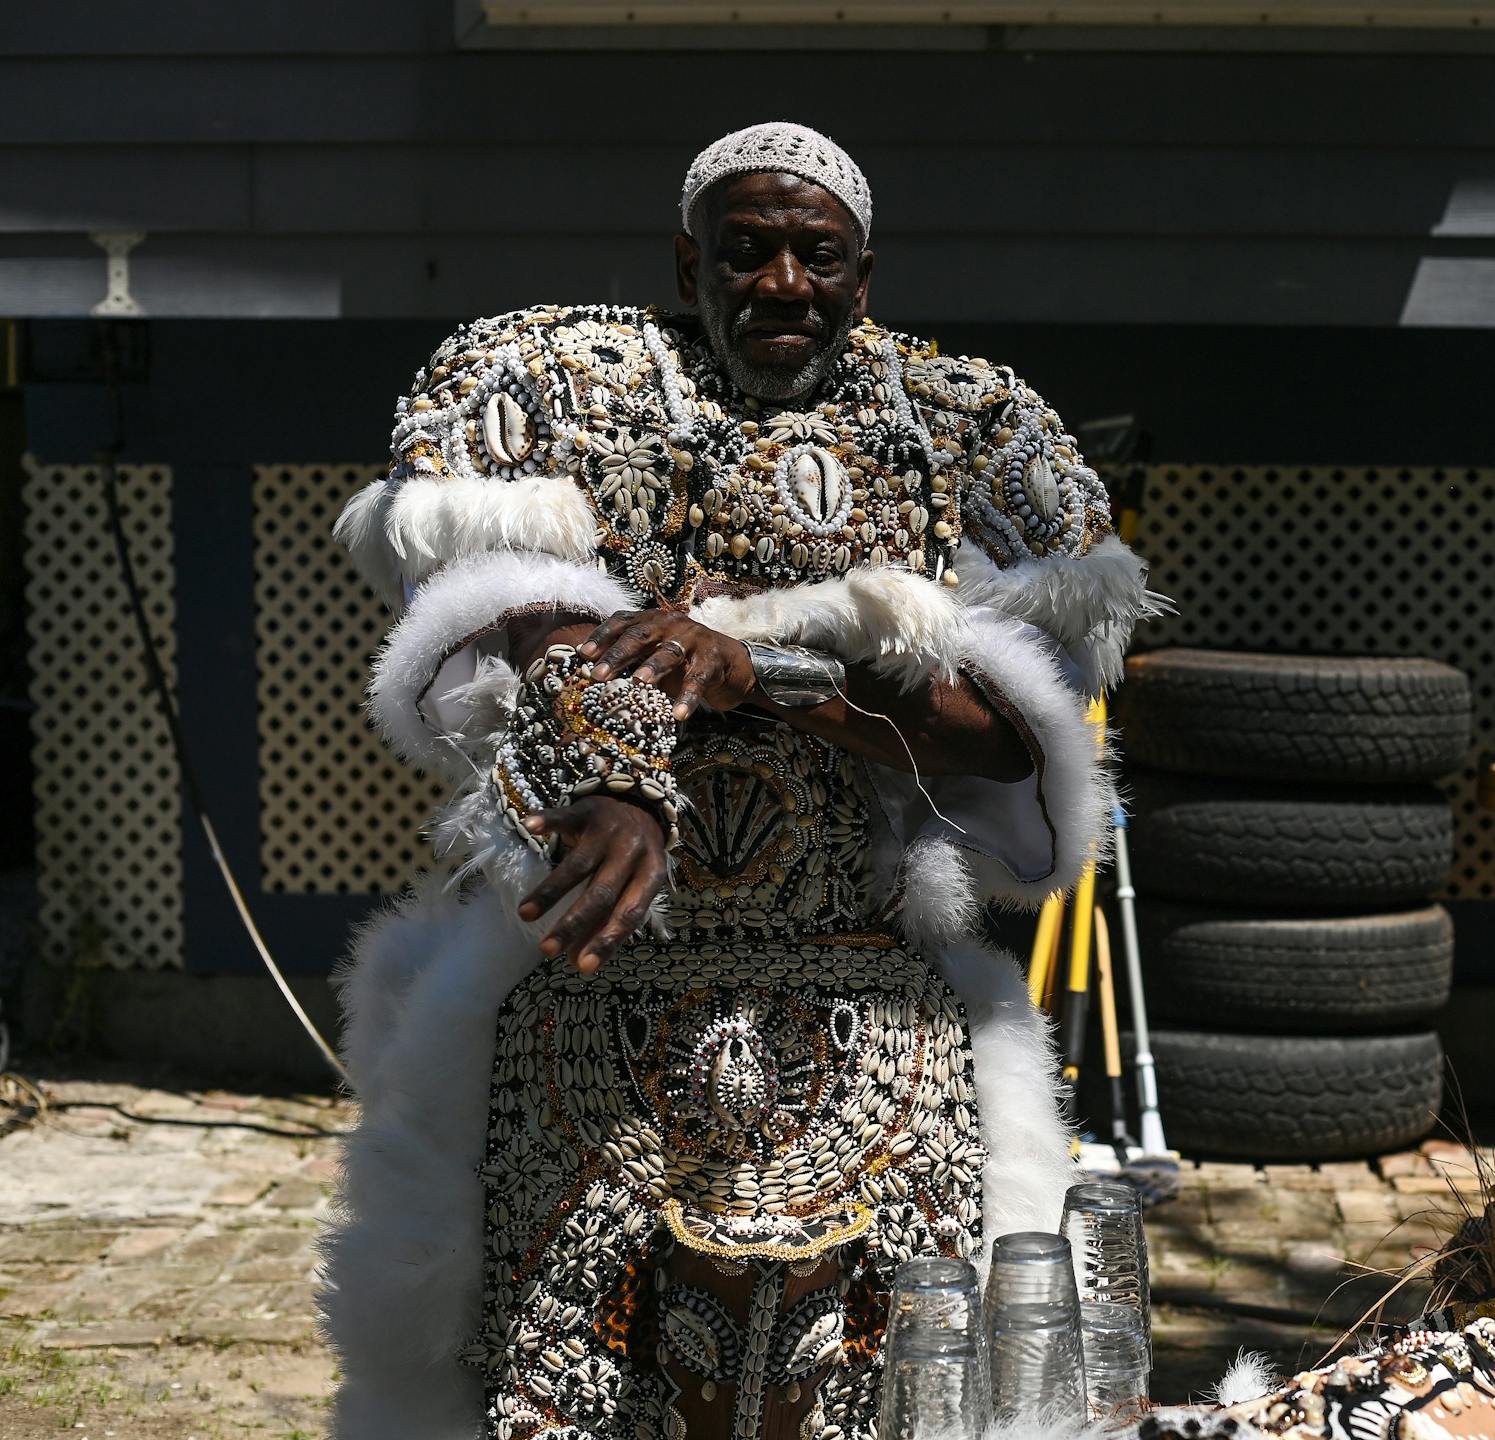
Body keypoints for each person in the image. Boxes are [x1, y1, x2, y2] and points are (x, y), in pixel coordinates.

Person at [318, 121, 1159, 1440]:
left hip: (867, 1004)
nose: (782, 284)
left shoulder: (959, 422)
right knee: (558, 1379)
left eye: (815, 255)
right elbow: (518, 604)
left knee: (899, 1385)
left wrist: (771, 657)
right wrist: (612, 767)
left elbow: (1007, 726)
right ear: (687, 260)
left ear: (863, 273)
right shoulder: (561, 379)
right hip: (598, 990)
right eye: (748, 250)